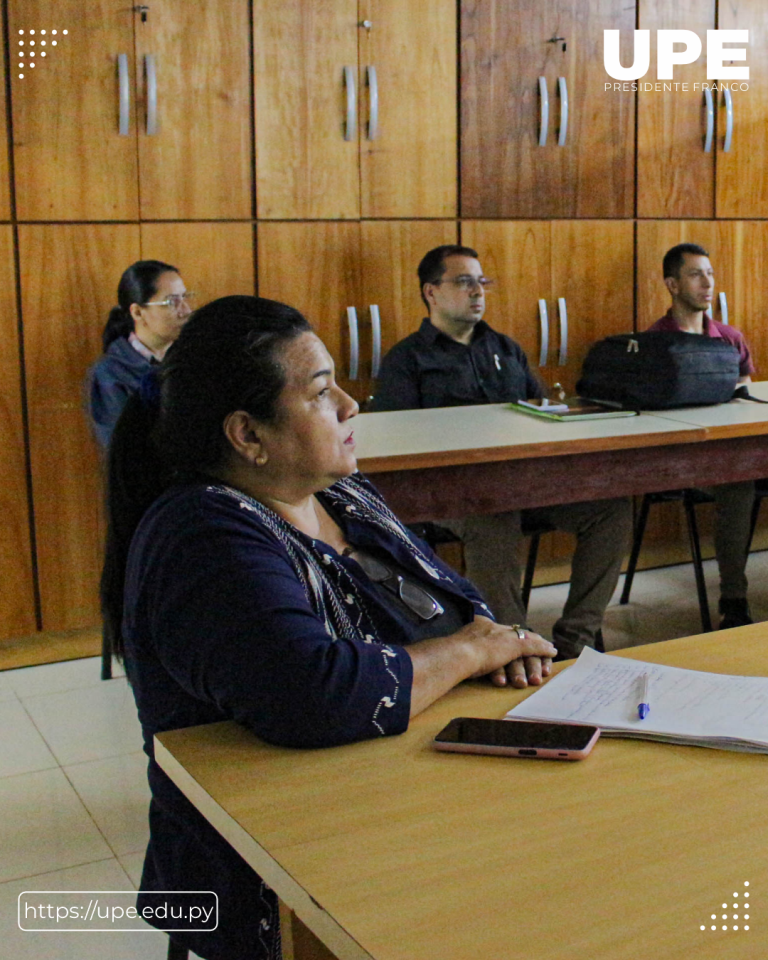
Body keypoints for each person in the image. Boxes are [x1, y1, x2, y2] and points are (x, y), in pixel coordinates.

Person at [101, 295, 555, 960]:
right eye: (320, 392)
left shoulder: (341, 493)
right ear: (248, 435)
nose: (350, 405)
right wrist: (462, 654)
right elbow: (311, 694)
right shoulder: (202, 533)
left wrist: (492, 645)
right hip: (275, 867)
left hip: (404, 802)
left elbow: (459, 602)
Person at [370, 244, 632, 659]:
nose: (477, 292)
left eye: (481, 282)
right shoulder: (408, 359)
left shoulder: (506, 349)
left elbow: (541, 411)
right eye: (463, 282)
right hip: (450, 492)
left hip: (524, 484)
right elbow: (390, 437)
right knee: (492, 516)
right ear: (431, 293)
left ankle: (575, 639)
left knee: (611, 508)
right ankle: (519, 646)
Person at [648, 243, 756, 629]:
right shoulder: (655, 342)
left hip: (732, 450)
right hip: (682, 456)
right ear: (672, 284)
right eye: (696, 274)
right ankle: (734, 597)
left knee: (740, 475)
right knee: (738, 487)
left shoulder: (729, 338)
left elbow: (745, 397)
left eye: (710, 273)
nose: (707, 283)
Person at [88, 260, 194, 447]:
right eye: (172, 302)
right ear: (138, 312)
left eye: (185, 298)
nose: (186, 310)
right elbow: (120, 449)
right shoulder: (111, 373)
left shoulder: (190, 360)